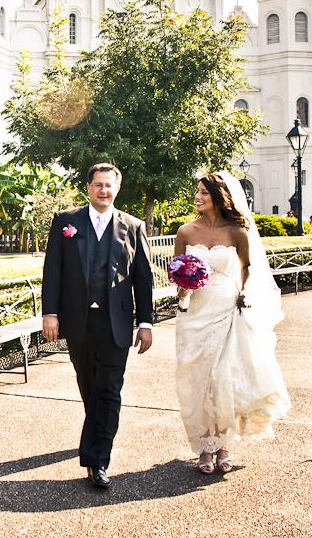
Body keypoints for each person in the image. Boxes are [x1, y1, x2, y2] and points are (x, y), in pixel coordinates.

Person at [41, 163, 155, 489]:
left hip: (116, 322)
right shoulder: (66, 222)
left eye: (109, 185)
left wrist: (145, 322)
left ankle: (98, 459)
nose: (103, 191)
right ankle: (96, 444)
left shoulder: (133, 226)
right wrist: (50, 312)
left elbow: (143, 280)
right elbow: (53, 270)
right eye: (98, 185)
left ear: (117, 189)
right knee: (88, 387)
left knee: (110, 390)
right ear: (88, 188)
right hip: (78, 321)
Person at [173, 172, 290, 474]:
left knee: (223, 379)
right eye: (197, 191)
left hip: (227, 310)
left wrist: (243, 293)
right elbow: (176, 273)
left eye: (204, 193)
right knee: (197, 380)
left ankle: (223, 446)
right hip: (195, 313)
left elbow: (247, 269)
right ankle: (204, 445)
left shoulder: (237, 231)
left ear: (220, 197)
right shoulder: (185, 232)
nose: (198, 197)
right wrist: (183, 286)